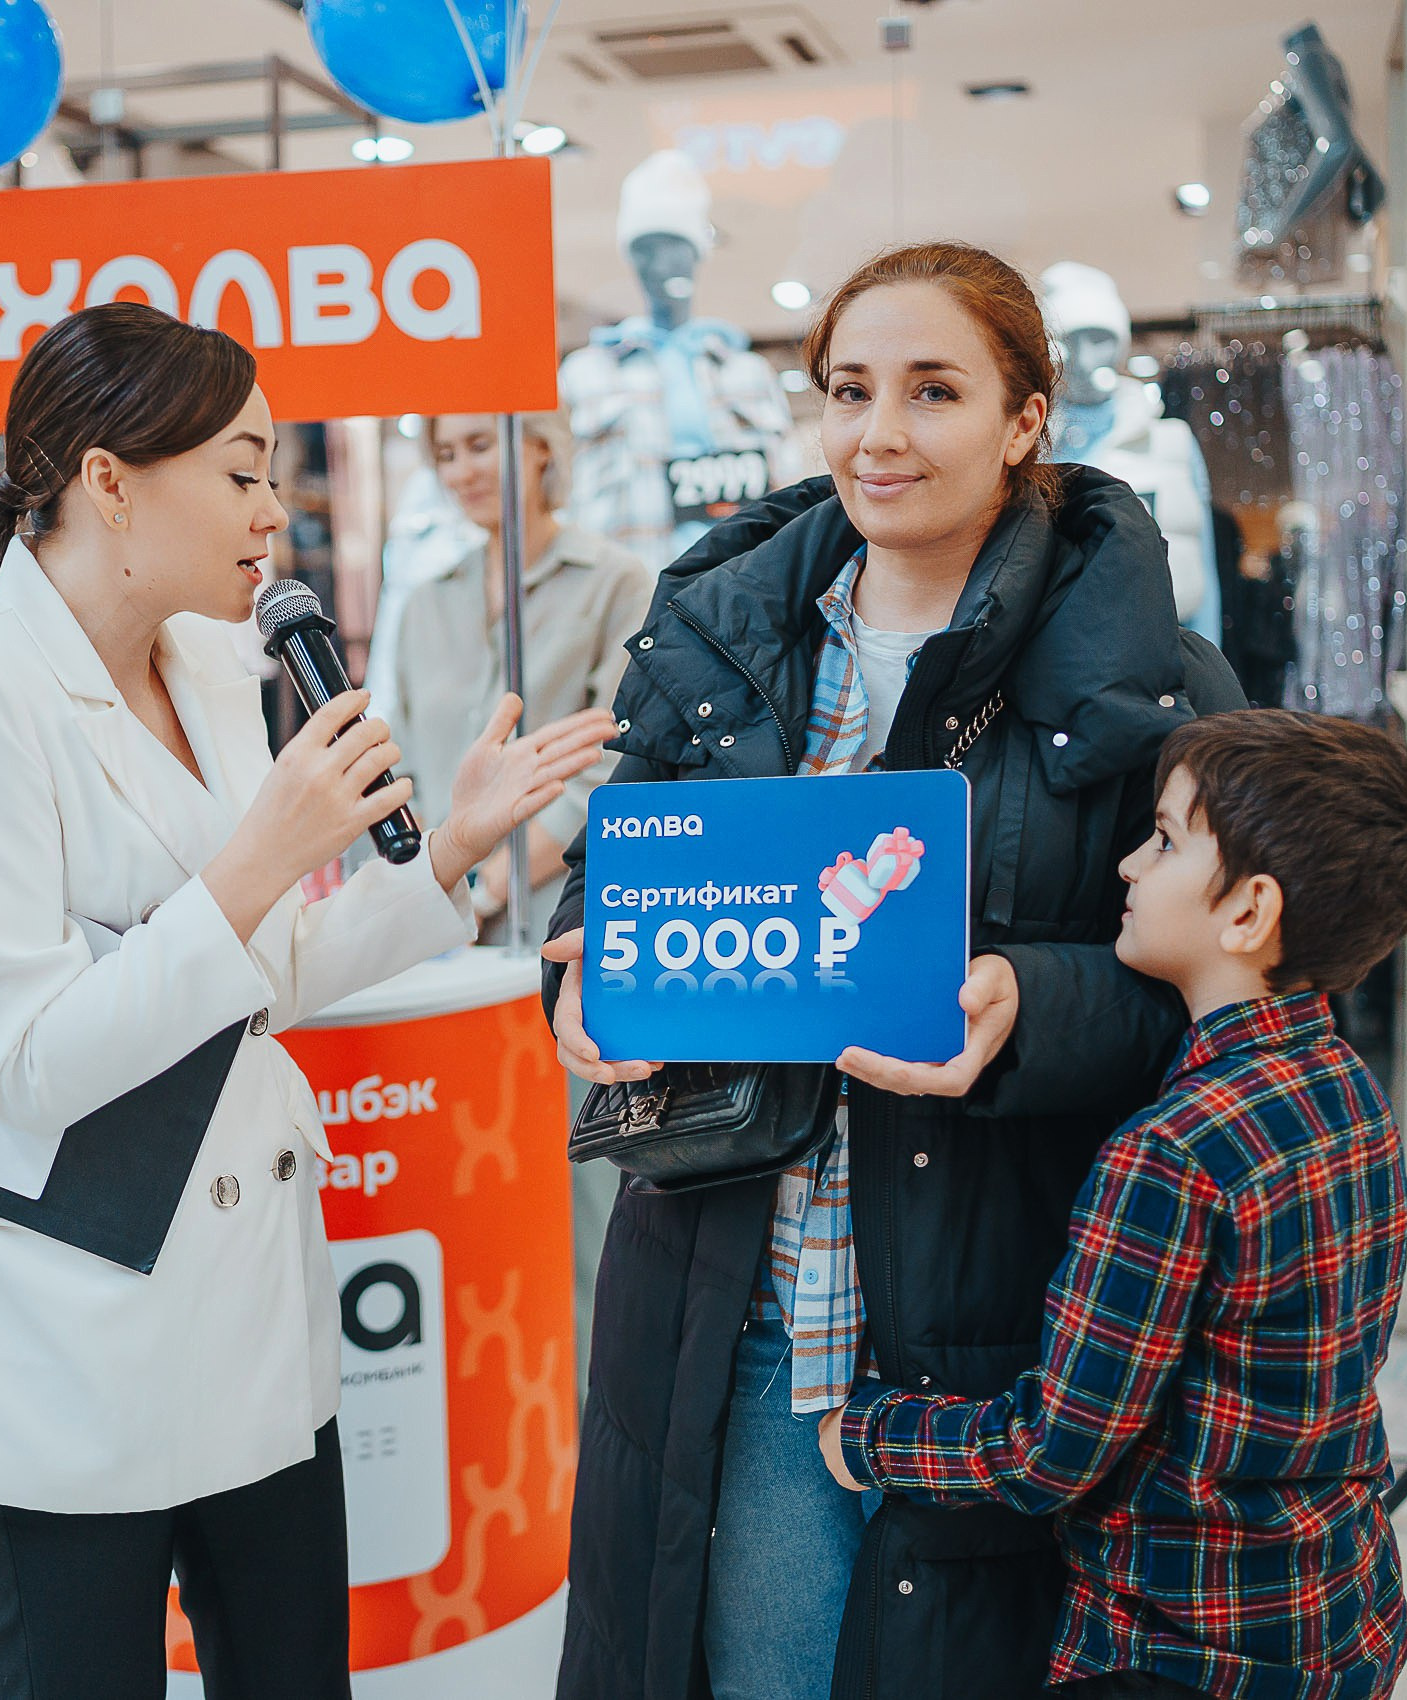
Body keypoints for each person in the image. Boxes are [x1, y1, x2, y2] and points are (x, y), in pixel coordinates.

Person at [0, 302, 616, 1700]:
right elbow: (25, 1061)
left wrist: (451, 851)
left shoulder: (210, 664)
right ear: (108, 480)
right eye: (241, 472)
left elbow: (262, 980)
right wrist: (259, 858)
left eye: (272, 474)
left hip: (254, 1319)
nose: (271, 512)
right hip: (54, 1335)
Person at [540, 241, 1245, 1700]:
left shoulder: (1147, 684)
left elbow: (1236, 999)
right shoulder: (707, 646)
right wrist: (587, 982)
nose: (878, 434)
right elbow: (609, 878)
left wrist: (1025, 1008)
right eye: (848, 390)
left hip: (1002, 1326)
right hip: (734, 1304)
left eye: (932, 391)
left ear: (1025, 420)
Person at [818, 709, 1407, 1700]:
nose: (1127, 867)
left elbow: (1051, 1448)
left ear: (1246, 912)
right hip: (1337, 1609)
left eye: (1164, 839)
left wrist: (862, 1436)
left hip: (1177, 1644)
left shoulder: (1171, 1151)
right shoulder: (1350, 1094)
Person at [379, 412, 652, 938]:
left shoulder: (614, 583)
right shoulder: (424, 603)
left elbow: (618, 762)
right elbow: (404, 762)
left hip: (565, 918)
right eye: (446, 455)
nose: (461, 473)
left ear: (540, 447)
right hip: (438, 929)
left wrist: (492, 887)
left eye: (480, 446)